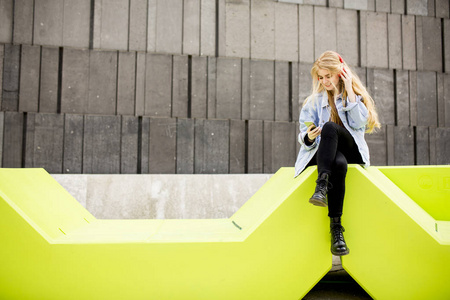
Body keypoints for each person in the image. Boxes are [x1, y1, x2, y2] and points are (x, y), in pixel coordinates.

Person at [294, 51, 380, 256]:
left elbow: (360, 123)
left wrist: (349, 89)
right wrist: (309, 137)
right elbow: (302, 133)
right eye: (320, 77)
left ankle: (321, 185)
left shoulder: (354, 97)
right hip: (326, 154)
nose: (324, 81)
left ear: (339, 74)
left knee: (331, 128)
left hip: (353, 151)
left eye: (328, 76)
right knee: (339, 164)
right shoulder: (313, 102)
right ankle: (336, 231)